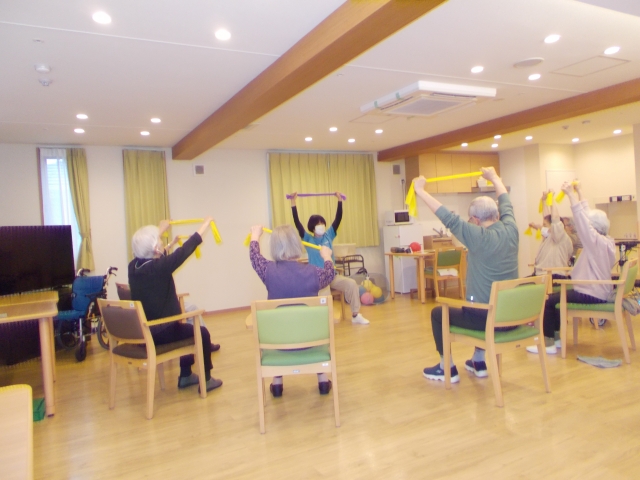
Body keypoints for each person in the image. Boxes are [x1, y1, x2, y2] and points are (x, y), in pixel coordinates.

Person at [413, 167, 518, 383]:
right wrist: (494, 178)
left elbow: (448, 219)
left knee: (438, 314)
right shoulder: (511, 229)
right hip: (511, 317)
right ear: (497, 215)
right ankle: (478, 361)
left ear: (475, 220)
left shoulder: (478, 236)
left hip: (486, 319)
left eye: (470, 220)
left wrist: (420, 191)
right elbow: (505, 201)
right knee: (482, 302)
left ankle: (447, 368)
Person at [128, 217, 222, 392]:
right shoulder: (159, 268)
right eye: (159, 241)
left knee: (185, 327)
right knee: (202, 333)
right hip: (161, 332)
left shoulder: (133, 267)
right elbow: (185, 250)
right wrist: (205, 225)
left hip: (146, 330)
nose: (162, 243)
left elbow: (153, 254)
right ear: (155, 248)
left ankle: (186, 376)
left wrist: (161, 230)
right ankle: (207, 380)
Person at [527, 180, 615, 355]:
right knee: (555, 300)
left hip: (591, 292)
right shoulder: (607, 241)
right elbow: (586, 215)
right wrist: (580, 191)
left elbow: (582, 219)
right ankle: (556, 340)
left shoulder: (595, 242)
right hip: (597, 290)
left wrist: (570, 194)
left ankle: (548, 343)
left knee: (550, 301)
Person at [249, 224, 336, 397]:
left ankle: (277, 383)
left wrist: (255, 236)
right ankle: (323, 380)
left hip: (277, 342)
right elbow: (330, 273)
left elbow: (254, 257)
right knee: (308, 328)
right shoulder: (314, 273)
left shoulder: (268, 271)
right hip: (310, 340)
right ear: (296, 244)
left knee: (281, 328)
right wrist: (327, 256)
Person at [289, 191, 369, 325]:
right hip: (318, 278)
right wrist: (293, 203)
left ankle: (355, 315)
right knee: (325, 297)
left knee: (352, 284)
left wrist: (339, 200)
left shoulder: (328, 235)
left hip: (333, 276)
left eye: (322, 223)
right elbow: (297, 223)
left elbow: (338, 219)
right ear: (312, 227)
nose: (321, 226)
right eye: (318, 224)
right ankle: (322, 322)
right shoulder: (308, 239)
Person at [529, 190, 573, 278]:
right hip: (542, 275)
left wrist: (552, 198)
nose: (542, 228)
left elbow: (555, 218)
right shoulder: (548, 236)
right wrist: (544, 201)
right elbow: (547, 217)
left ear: (553, 227)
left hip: (554, 276)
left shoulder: (559, 236)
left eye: (545, 225)